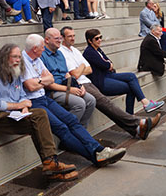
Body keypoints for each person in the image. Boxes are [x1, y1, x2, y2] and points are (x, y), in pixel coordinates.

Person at [0, 44, 79, 182]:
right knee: (37, 120)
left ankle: (50, 163)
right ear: (4, 57)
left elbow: (23, 96)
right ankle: (52, 165)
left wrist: (24, 107)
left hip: (12, 114)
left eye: (19, 57)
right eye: (14, 57)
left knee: (40, 115)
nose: (18, 60)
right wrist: (19, 105)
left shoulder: (16, 71)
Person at [21, 34, 127, 167]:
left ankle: (100, 150)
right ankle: (95, 156)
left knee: (71, 120)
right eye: (42, 47)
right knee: (62, 128)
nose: (44, 50)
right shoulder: (23, 61)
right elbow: (30, 86)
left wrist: (40, 81)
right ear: (35, 49)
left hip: (44, 98)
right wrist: (43, 80)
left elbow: (50, 78)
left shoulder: (37, 59)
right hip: (33, 102)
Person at [58, 27, 159, 139]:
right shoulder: (62, 52)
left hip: (88, 81)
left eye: (74, 36)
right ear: (62, 38)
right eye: (69, 36)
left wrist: (81, 68)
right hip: (82, 84)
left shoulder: (75, 50)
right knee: (106, 103)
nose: (72, 38)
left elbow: (89, 69)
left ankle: (136, 130)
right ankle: (139, 123)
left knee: (126, 86)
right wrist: (82, 66)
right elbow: (76, 74)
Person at [83, 28, 165, 114]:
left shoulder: (97, 49)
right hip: (101, 81)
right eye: (96, 38)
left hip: (108, 75)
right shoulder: (89, 52)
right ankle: (134, 112)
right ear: (90, 40)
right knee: (131, 88)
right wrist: (108, 65)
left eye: (100, 37)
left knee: (131, 76)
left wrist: (108, 64)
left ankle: (144, 104)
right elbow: (106, 65)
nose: (99, 40)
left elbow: (109, 62)